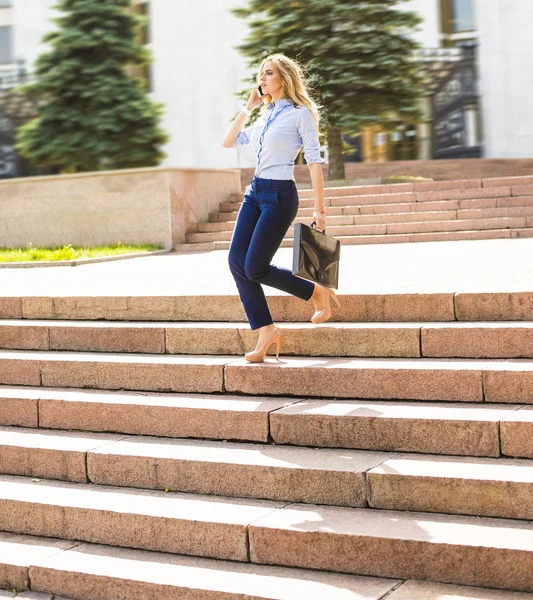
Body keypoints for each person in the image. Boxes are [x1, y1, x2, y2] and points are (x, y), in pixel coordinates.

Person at [221, 53, 340, 363]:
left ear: (284, 78)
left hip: (280, 196)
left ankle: (316, 293)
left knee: (255, 267)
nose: (262, 78)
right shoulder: (265, 114)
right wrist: (249, 106)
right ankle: (266, 329)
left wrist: (320, 209)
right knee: (237, 261)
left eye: (269, 73)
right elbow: (229, 141)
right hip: (255, 193)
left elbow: (314, 161)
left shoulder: (301, 114)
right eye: (261, 73)